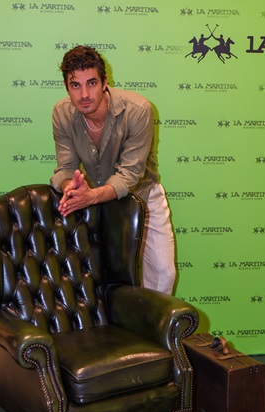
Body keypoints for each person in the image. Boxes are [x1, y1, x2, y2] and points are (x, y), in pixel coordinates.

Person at [50, 45, 176, 294]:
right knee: (107, 278)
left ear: (105, 82)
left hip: (143, 196)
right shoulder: (61, 114)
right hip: (95, 202)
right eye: (75, 85)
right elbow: (65, 168)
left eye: (92, 83)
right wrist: (72, 188)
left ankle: (151, 321)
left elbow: (129, 175)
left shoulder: (138, 110)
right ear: (66, 87)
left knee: (163, 274)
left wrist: (90, 196)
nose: (84, 94)